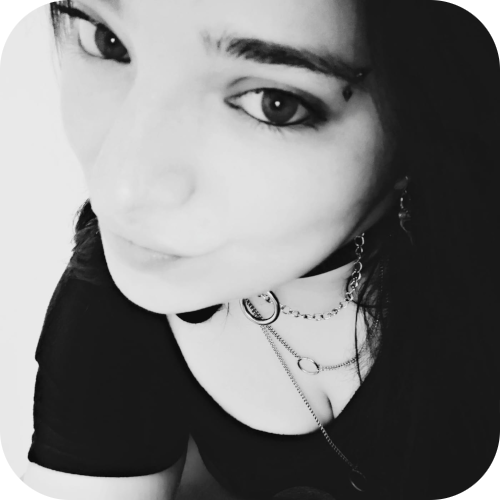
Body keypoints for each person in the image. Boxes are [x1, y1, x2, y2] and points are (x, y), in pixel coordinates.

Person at [21, 1, 499, 499]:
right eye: (107, 41)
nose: (119, 190)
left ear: (429, 122)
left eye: (275, 103)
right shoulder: (109, 302)